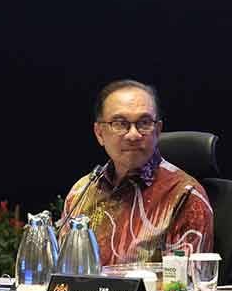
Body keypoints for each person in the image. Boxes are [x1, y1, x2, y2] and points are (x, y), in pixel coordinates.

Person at [58, 79, 213, 265]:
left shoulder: (184, 195)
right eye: (120, 123)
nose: (133, 135)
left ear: (157, 131)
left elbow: (184, 286)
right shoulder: (81, 192)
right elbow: (63, 271)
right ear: (99, 133)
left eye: (144, 123)